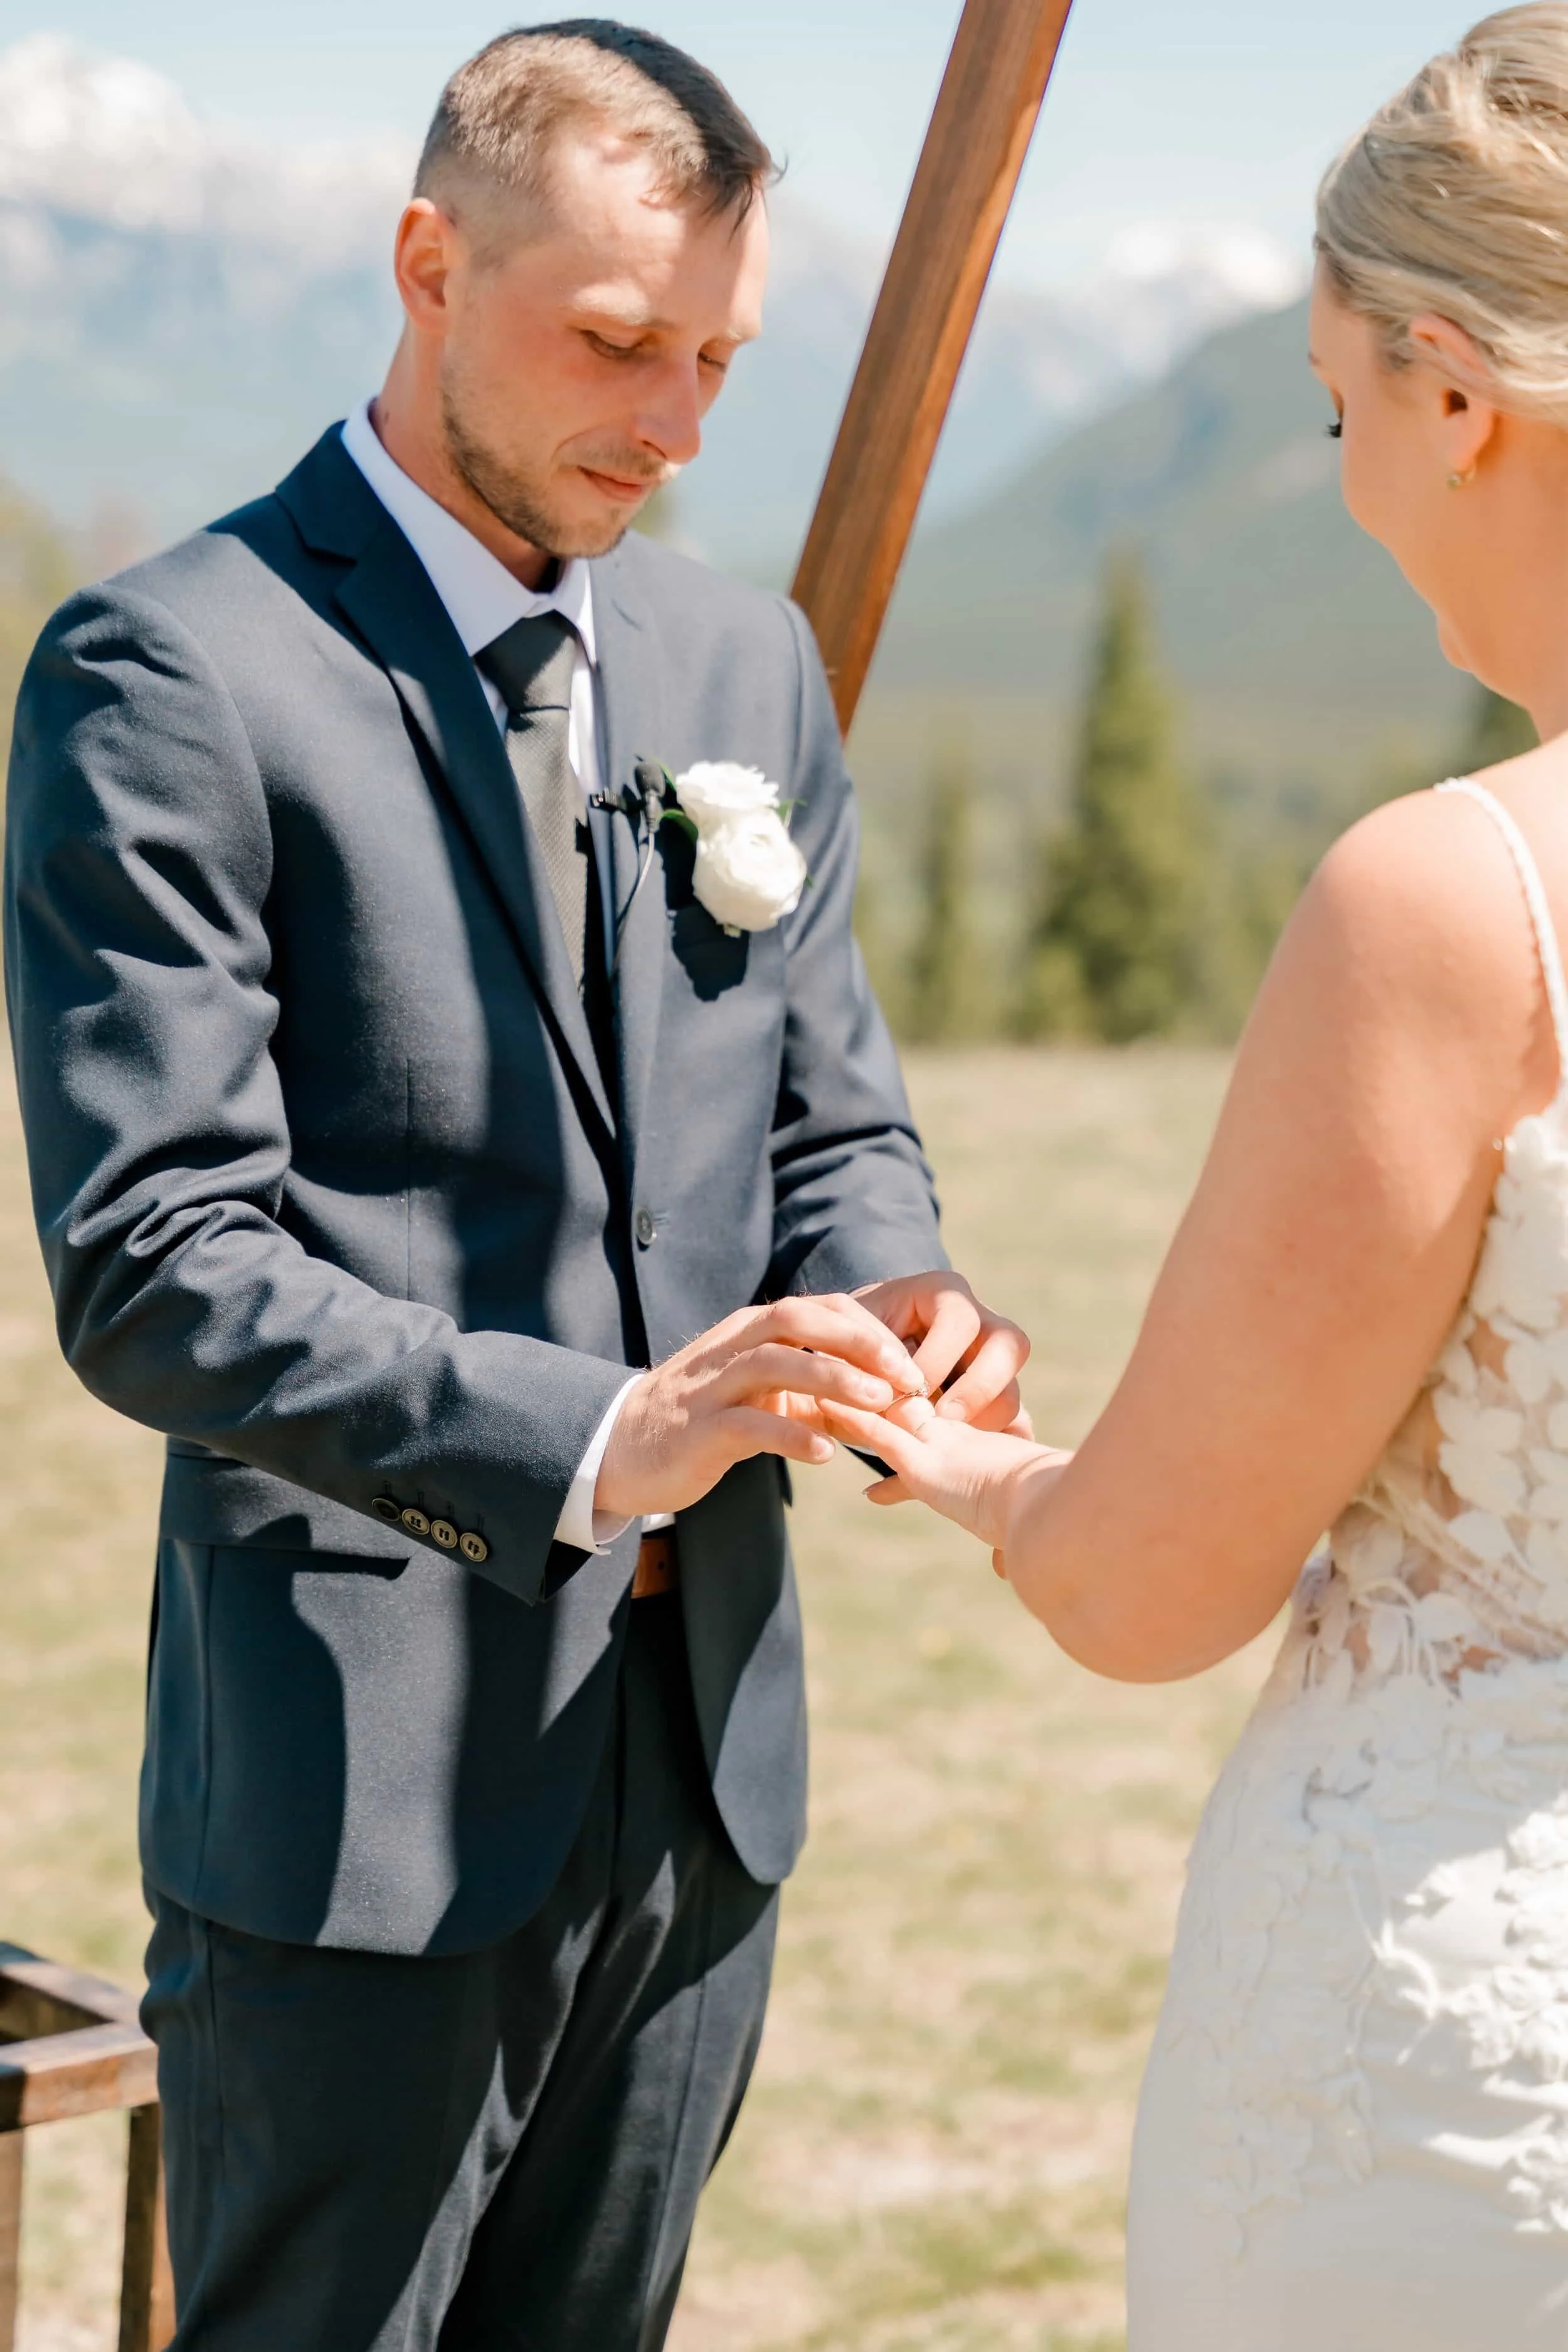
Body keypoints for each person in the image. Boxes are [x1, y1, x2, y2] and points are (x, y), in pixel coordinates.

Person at [3, 22, 1029, 2349]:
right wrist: (591, 1439)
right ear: (426, 261)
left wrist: (904, 1292)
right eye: (614, 344)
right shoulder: (172, 670)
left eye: (716, 363)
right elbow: (155, 1260)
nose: (671, 425)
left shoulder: (740, 658)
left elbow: (827, 1117)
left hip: (703, 1783)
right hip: (353, 1808)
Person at [819, 8, 1568, 2343]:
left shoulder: (1452, 906)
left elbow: (1154, 1579)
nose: (1342, 465)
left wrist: (971, 1471)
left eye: (1340, 402)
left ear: (1455, 388)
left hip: (1457, 2087)